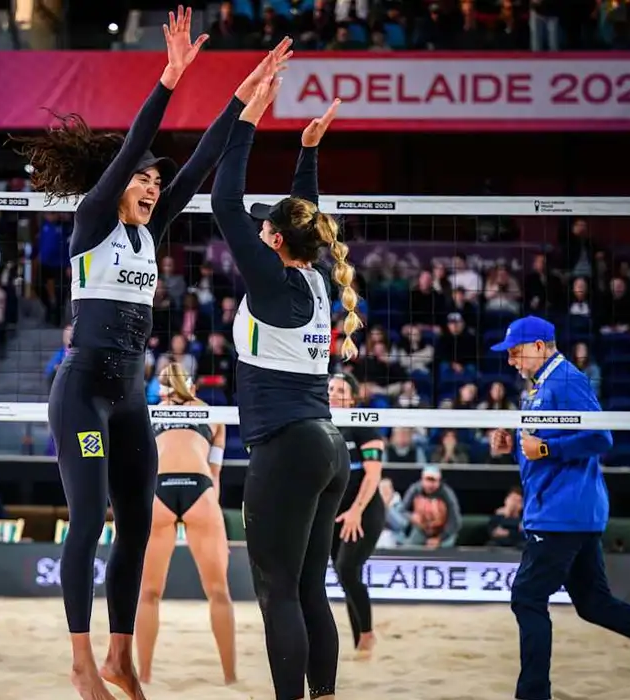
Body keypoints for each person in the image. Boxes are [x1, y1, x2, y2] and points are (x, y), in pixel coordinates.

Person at [10, 13, 293, 699]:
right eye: (142, 180)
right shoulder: (93, 221)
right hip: (83, 393)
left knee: (136, 521)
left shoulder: (149, 231)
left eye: (154, 185)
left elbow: (198, 166)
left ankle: (119, 657)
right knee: (88, 521)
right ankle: (81, 662)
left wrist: (244, 101)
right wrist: (170, 78)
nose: (152, 187)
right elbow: (138, 143)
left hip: (130, 396)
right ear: (117, 183)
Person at [211, 59, 356, 700]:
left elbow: (223, 201)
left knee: (278, 593)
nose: (259, 228)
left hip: (287, 447)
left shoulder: (273, 282)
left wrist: (248, 117)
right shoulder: (315, 278)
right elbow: (307, 216)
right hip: (328, 446)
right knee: (307, 590)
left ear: (271, 240)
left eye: (264, 225)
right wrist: (307, 152)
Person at [489, 316, 630, 700]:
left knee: (527, 597)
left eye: (515, 352)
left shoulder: (566, 379)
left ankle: (533, 695)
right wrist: (515, 448)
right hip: (563, 509)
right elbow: (540, 451)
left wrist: (546, 448)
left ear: (540, 346)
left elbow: (600, 437)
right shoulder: (540, 386)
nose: (511, 361)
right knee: (594, 604)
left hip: (563, 512)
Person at [135, 363, 235, 686]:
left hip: (159, 490)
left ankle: (144, 676)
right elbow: (215, 475)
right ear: (192, 388)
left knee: (148, 593)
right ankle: (230, 678)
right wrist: (213, 520)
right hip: (200, 489)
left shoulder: (150, 414)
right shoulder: (213, 414)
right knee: (219, 592)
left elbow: (138, 471)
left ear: (161, 391)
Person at [327, 372, 385, 659]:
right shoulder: (319, 425)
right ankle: (360, 641)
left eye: (340, 390)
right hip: (334, 513)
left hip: (364, 510)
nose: (333, 394)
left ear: (352, 399)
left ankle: (367, 634)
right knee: (344, 574)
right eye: (330, 389)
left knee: (348, 568)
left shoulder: (363, 425)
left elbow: (373, 475)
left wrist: (356, 511)